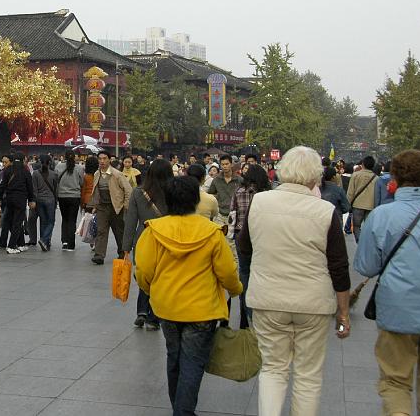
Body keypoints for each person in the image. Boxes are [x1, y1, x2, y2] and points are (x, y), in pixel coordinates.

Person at [237, 146, 351, 416]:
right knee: (308, 375)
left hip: (267, 299)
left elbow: (244, 247)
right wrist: (343, 312)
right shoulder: (325, 211)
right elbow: (339, 266)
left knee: (273, 369)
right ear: (316, 176)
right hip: (313, 303)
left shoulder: (260, 202)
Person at [135, 176, 242, 416]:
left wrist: (150, 289)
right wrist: (236, 290)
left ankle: (179, 407)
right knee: (193, 362)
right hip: (202, 311)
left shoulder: (154, 231)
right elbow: (227, 272)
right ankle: (183, 411)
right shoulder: (212, 233)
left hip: (167, 308)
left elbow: (143, 270)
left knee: (174, 357)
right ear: (195, 201)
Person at [354, 150, 420, 416]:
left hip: (397, 309)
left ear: (395, 178)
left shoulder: (381, 216)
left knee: (395, 381)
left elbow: (366, 266)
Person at [124, 158, 173, 330]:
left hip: (143, 237)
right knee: (160, 277)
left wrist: (126, 247)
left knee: (144, 274)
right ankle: (153, 317)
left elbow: (130, 220)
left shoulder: (138, 192)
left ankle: (142, 311)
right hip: (166, 238)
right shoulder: (173, 191)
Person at [230, 163, 271, 330]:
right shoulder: (268, 194)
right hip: (263, 236)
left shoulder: (239, 192)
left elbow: (233, 215)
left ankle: (245, 313)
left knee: (244, 273)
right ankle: (260, 312)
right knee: (261, 272)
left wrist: (232, 236)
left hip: (242, 237)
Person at [88, 149, 132, 265]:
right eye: (100, 159)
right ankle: (99, 255)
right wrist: (95, 205)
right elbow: (96, 190)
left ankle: (122, 252)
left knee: (119, 231)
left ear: (109, 160)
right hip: (102, 207)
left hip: (116, 207)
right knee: (101, 231)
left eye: (104, 159)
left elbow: (128, 190)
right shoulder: (97, 173)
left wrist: (126, 206)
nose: (102, 161)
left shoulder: (117, 174)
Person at [0, 153, 36, 254]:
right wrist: (31, 200)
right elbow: (30, 187)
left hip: (9, 198)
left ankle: (21, 244)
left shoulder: (7, 170)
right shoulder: (25, 171)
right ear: (23, 160)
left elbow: (2, 186)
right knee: (17, 223)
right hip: (20, 199)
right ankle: (11, 246)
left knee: (10, 221)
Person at [56, 150, 84, 251]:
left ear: (65, 157)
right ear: (74, 157)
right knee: (72, 220)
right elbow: (81, 182)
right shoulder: (80, 168)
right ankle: (71, 244)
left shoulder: (59, 167)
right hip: (75, 196)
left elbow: (56, 181)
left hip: (62, 196)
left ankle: (64, 241)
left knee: (65, 219)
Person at [347, 155, 378, 242]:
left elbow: (350, 192)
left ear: (363, 164)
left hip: (357, 205)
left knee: (356, 226)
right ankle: (367, 243)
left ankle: (359, 242)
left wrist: (348, 204)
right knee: (369, 227)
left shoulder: (355, 175)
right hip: (371, 206)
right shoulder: (376, 178)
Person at [32, 154, 59, 251]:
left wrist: (33, 200)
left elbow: (34, 189)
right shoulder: (54, 174)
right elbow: (56, 189)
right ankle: (44, 240)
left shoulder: (35, 173)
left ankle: (45, 242)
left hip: (39, 200)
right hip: (50, 200)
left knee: (43, 222)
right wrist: (56, 201)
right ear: (50, 162)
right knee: (51, 221)